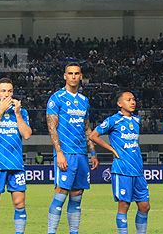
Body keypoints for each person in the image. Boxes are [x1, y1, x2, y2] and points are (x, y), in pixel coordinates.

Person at [46, 63, 99, 234]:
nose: (74, 76)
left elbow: (86, 128)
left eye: (76, 73)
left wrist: (92, 152)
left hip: (82, 154)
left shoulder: (84, 101)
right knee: (61, 194)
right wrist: (59, 153)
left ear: (81, 76)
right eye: (70, 73)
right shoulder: (56, 98)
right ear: (65, 76)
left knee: (77, 196)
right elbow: (52, 127)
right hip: (66, 153)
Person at [89, 91, 150, 234]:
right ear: (119, 103)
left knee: (144, 206)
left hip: (138, 170)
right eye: (128, 100)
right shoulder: (113, 120)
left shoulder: (136, 120)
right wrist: (111, 149)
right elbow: (93, 136)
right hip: (122, 170)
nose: (133, 102)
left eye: (134, 99)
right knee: (124, 205)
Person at [0, 78, 32, 234]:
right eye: (3, 91)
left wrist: (17, 114)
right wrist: (0, 111)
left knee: (19, 204)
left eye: (10, 91)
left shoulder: (21, 112)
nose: (7, 94)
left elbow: (27, 134)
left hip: (16, 164)